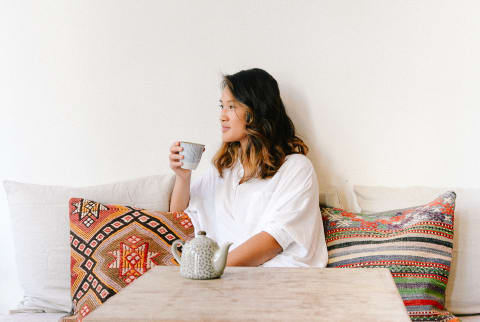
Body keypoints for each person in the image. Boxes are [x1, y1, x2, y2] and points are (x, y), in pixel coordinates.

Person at [168, 68, 328, 267]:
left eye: (231, 106)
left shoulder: (296, 168)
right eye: (221, 106)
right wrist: (183, 177)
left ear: (256, 111)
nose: (222, 116)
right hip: (230, 279)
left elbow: (273, 241)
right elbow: (177, 219)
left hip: (281, 278)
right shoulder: (224, 169)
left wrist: (213, 269)